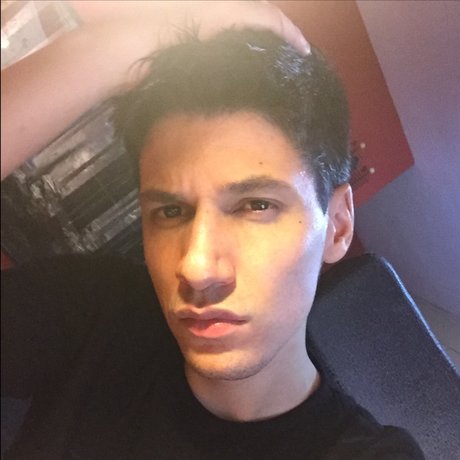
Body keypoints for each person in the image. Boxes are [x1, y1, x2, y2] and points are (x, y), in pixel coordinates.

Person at [1, 2, 424, 459]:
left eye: (256, 206)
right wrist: (121, 44)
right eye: (170, 212)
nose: (197, 267)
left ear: (338, 226)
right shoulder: (93, 311)